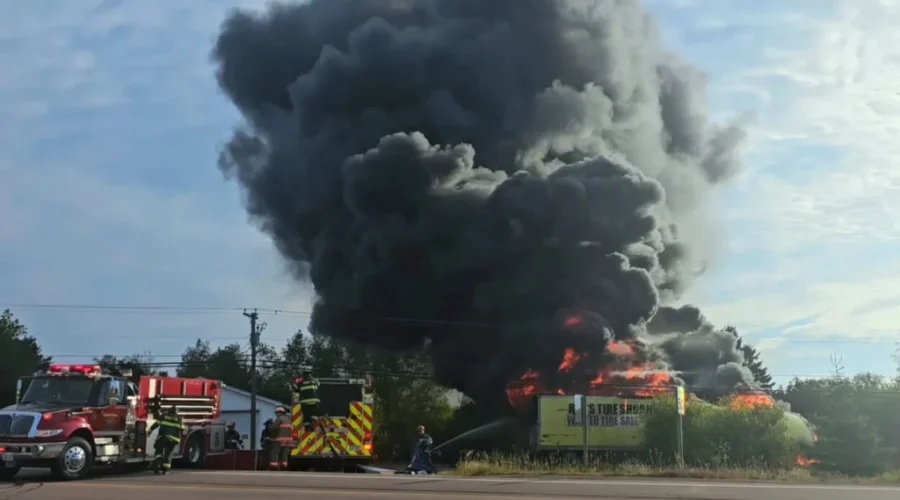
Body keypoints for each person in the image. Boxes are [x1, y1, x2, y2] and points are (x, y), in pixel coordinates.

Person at [149, 406, 184, 474]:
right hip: (174, 439)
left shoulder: (163, 416)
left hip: (163, 437)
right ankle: (165, 469)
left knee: (158, 447)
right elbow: (182, 429)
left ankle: (158, 461)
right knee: (168, 453)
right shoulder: (179, 419)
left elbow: (156, 424)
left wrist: (150, 430)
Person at [268, 406, 293, 471]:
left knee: (275, 452)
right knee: (284, 453)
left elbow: (273, 428)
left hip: (279, 439)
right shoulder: (288, 420)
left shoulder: (279, 419)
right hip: (288, 440)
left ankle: (273, 466)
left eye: (276, 413)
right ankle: (284, 466)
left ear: (279, 413)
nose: (276, 414)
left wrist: (270, 428)